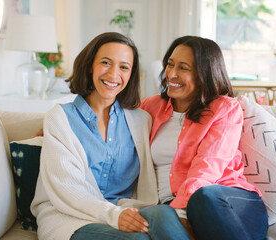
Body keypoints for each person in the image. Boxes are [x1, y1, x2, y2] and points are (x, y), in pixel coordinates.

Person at [30, 32, 190, 240]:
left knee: (164, 217)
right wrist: (115, 216)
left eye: (124, 67)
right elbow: (67, 189)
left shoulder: (142, 120)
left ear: (131, 74)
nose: (114, 74)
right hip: (68, 218)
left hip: (125, 212)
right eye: (106, 63)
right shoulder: (60, 118)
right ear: (90, 65)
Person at [140, 36, 269, 240]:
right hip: (169, 206)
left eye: (183, 68)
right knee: (158, 214)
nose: (172, 74)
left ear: (204, 74)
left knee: (204, 195)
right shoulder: (150, 106)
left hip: (229, 205)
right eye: (170, 64)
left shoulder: (224, 108)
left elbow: (207, 168)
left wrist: (181, 212)